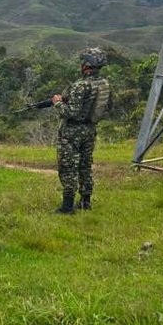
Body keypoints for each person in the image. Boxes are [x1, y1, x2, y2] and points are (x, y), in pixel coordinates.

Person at [51, 47, 112, 214]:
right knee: (85, 165)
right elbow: (108, 107)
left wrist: (57, 102)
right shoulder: (104, 84)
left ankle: (67, 207)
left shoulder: (80, 85)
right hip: (90, 130)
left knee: (68, 167)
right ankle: (85, 202)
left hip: (72, 132)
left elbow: (71, 112)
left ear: (86, 65)